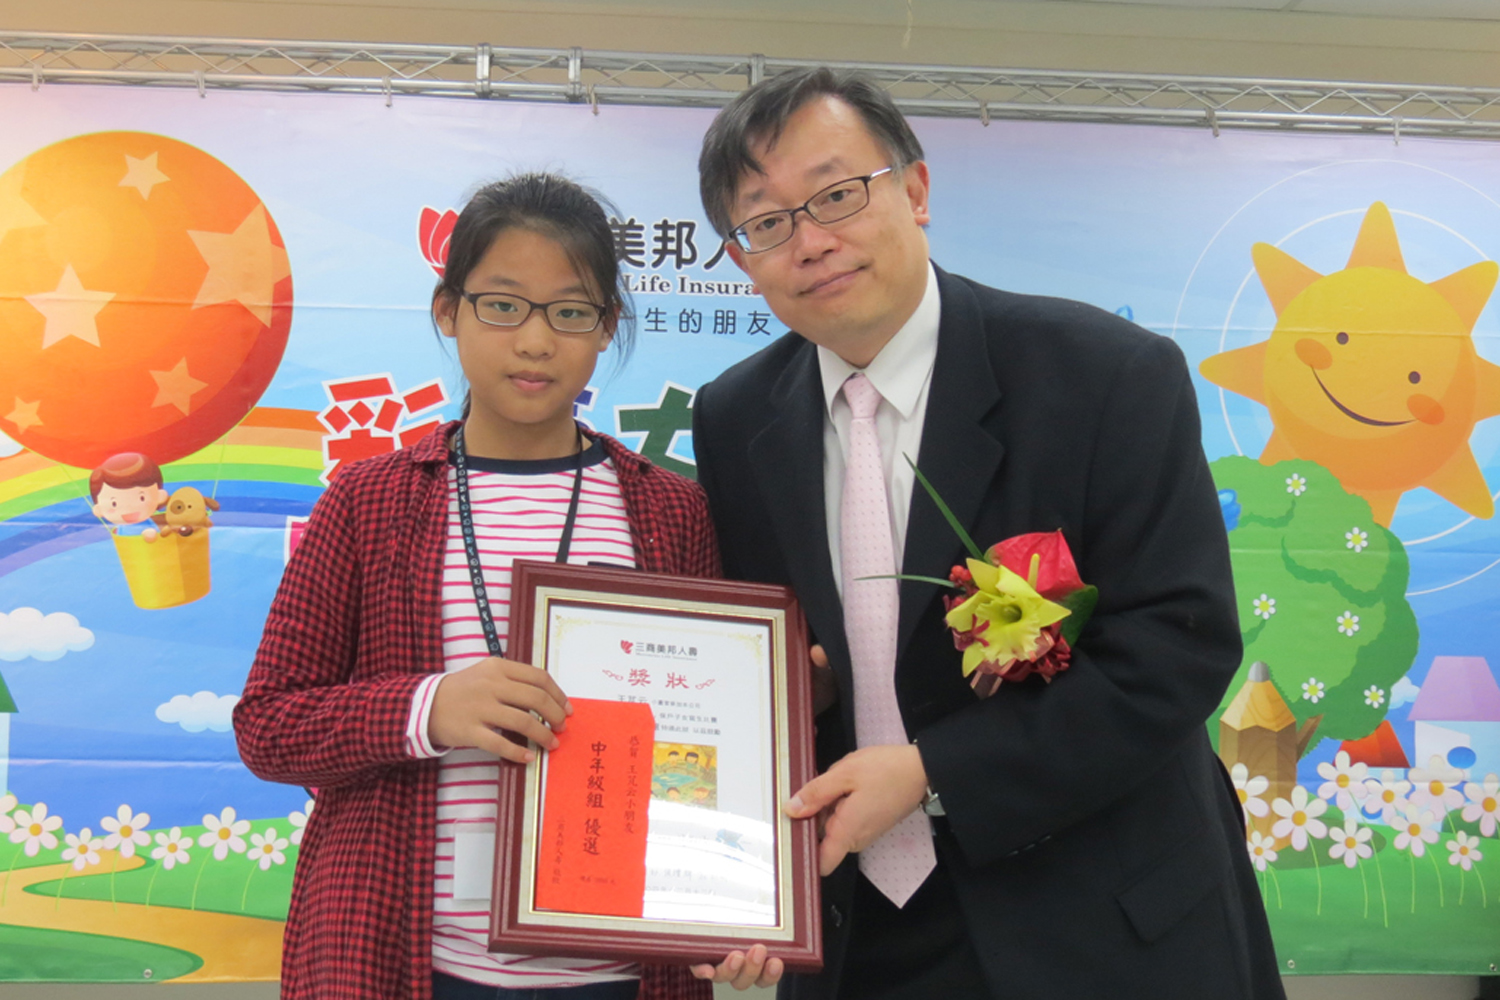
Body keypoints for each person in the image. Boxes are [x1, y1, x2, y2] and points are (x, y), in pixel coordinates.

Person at [688, 68, 1285, 1000]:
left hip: (1098, 921)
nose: (811, 241)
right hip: (861, 934)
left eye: (837, 195)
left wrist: (937, 773)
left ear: (916, 189)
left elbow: (1178, 647)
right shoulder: (735, 418)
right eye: (767, 223)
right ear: (741, 258)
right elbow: (778, 661)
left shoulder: (1103, 375)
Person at [234, 173, 716, 1000]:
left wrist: (733, 905)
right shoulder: (369, 500)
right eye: (502, 305)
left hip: (625, 969)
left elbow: (708, 741)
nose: (535, 341)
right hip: (405, 961)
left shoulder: (669, 511)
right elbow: (269, 726)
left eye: (571, 312)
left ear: (607, 327)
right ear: (448, 311)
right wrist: (428, 708)